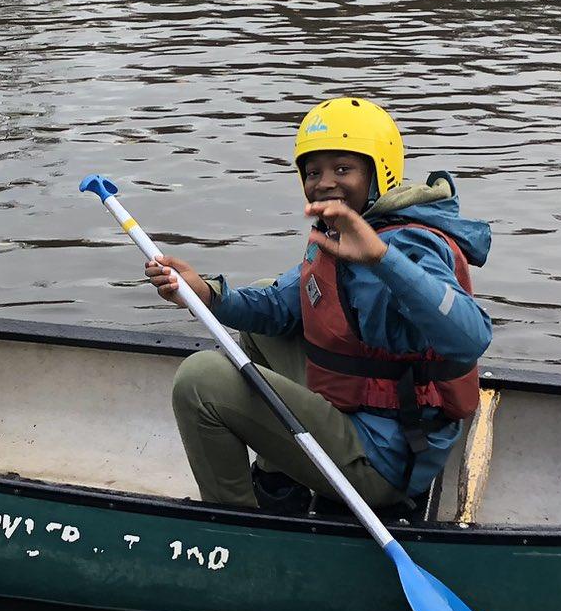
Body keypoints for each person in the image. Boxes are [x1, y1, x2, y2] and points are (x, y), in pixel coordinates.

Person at [144, 97, 492, 515]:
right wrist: (207, 294)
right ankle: (279, 484)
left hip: (387, 457)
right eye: (313, 172)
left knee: (200, 380)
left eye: (343, 169)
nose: (325, 182)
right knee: (263, 317)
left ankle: (236, 523)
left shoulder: (410, 242)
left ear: (380, 172)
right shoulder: (339, 233)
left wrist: (382, 259)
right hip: (356, 415)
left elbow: (472, 337)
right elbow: (278, 304)